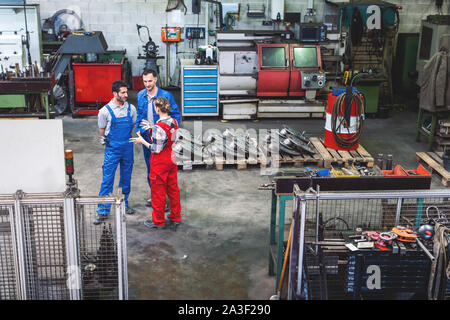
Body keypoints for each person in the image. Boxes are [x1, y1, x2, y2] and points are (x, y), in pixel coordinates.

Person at [130, 97, 181, 230]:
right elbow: (172, 140)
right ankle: (175, 217)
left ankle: (158, 221)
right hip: (171, 158)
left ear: (157, 109)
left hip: (160, 162)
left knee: (158, 192)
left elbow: (155, 149)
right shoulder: (174, 122)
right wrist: (153, 128)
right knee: (173, 190)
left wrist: (142, 141)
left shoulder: (159, 128)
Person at [136, 69, 181, 208]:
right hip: (147, 137)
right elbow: (139, 114)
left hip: (162, 139)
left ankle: (164, 201)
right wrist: (138, 129)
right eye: (144, 81)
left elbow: (175, 115)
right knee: (151, 170)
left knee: (163, 172)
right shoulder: (141, 95)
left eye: (150, 81)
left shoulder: (165, 95)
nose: (147, 84)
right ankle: (155, 196)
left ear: (155, 79)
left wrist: (171, 133)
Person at [95, 80, 137, 225]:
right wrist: (106, 139)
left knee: (126, 177)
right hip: (112, 148)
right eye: (123, 92)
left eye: (126, 92)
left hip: (127, 147)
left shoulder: (131, 109)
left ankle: (124, 204)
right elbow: (102, 130)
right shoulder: (104, 111)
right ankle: (102, 211)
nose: (126, 95)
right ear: (115, 94)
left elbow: (132, 124)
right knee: (107, 179)